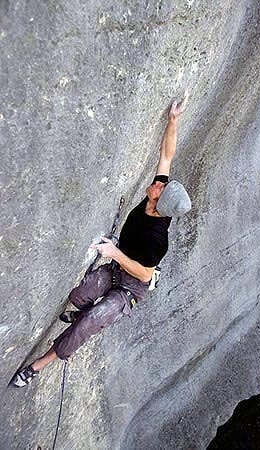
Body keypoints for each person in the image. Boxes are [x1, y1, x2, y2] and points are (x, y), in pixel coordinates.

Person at [12, 94, 191, 387]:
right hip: (119, 267)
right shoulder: (158, 195)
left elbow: (145, 274)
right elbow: (167, 156)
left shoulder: (158, 238)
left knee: (91, 321)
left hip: (132, 285)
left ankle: (38, 366)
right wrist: (173, 120)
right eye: (162, 182)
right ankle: (82, 311)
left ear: (161, 207)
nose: (158, 183)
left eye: (160, 187)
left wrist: (113, 252)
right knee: (79, 296)